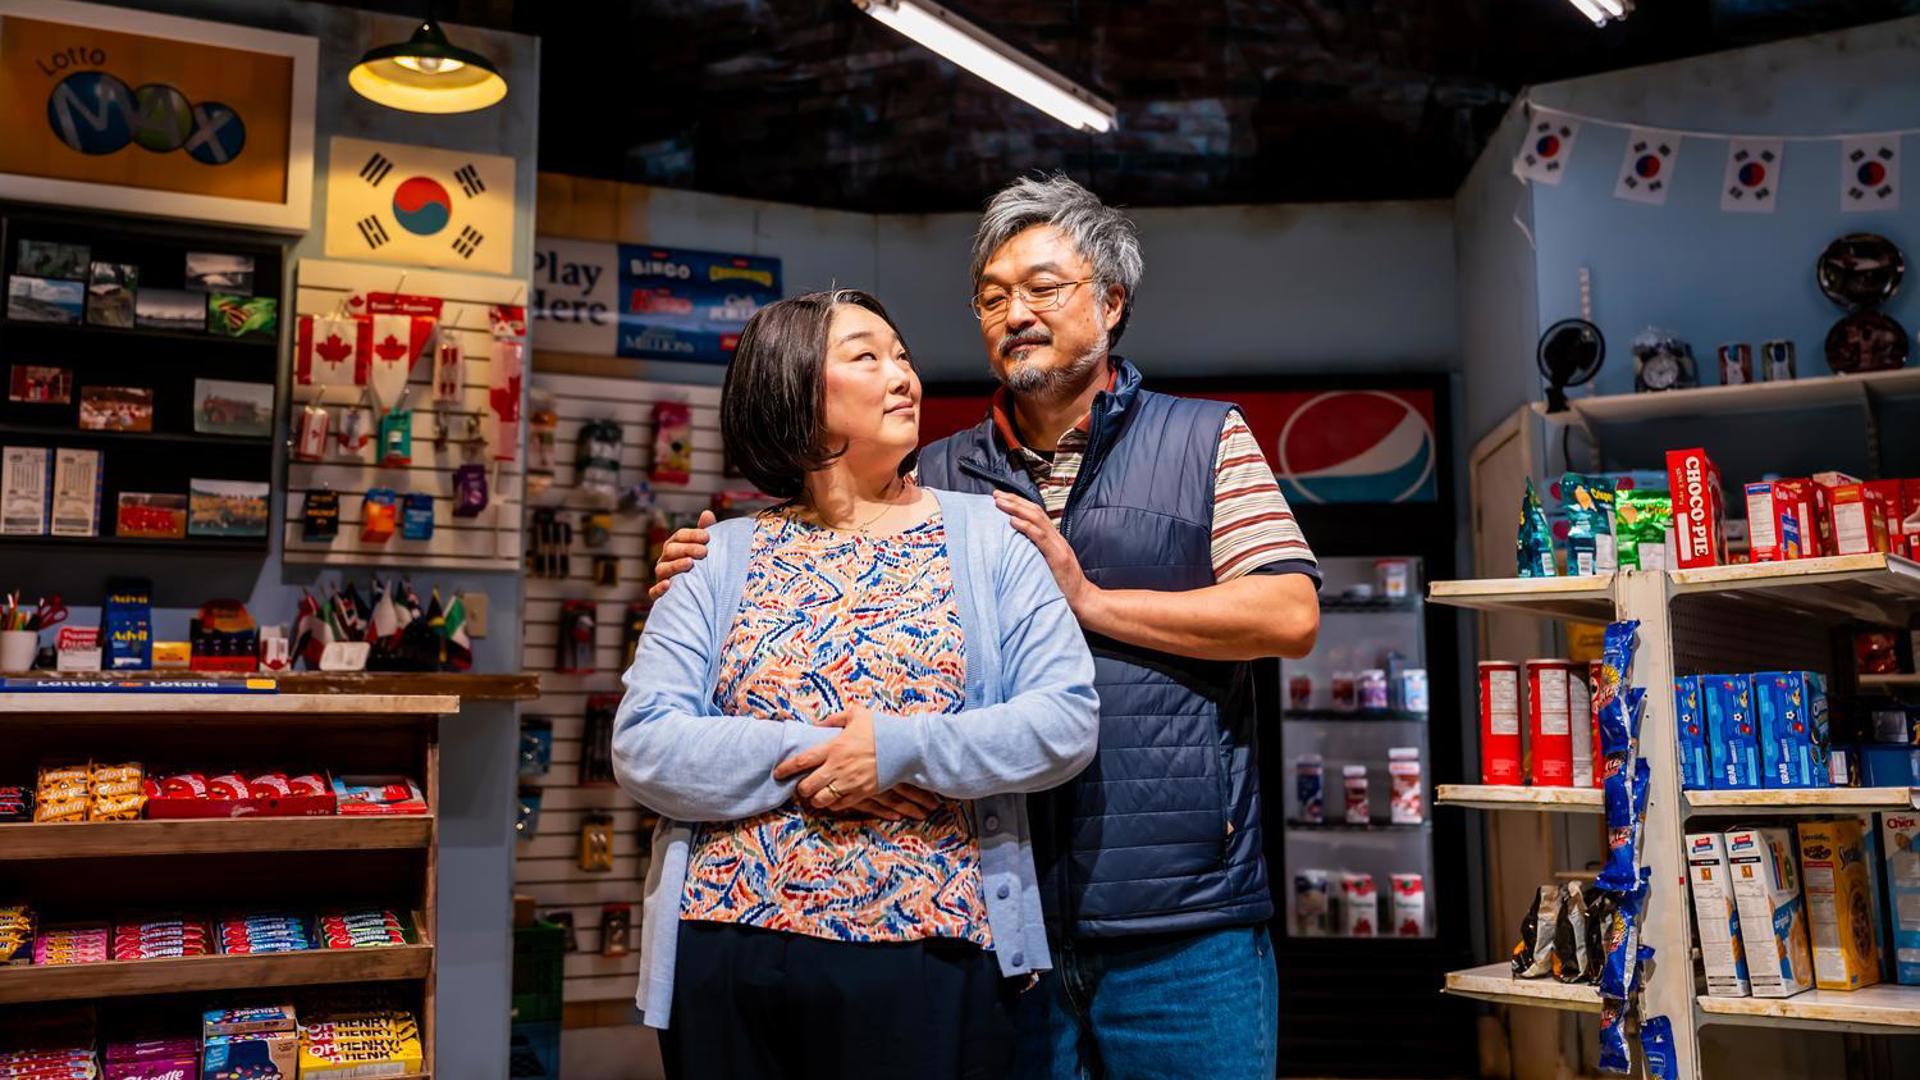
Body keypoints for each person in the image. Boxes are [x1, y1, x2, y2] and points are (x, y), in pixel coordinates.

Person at [653, 176, 1322, 1080]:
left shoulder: (1202, 438)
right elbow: (826, 555)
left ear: (1111, 302)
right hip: (1004, 904)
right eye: (993, 297)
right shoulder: (936, 473)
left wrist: (1091, 602)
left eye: (1043, 288)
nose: (1017, 315)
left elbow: (1289, 613)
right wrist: (711, 562)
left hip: (1178, 908)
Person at [612, 288, 1100, 1080]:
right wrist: (828, 755)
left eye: (902, 356)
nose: (904, 376)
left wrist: (901, 749)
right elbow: (646, 745)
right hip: (727, 950)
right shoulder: (717, 556)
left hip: (932, 949)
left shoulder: (993, 538)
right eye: (867, 357)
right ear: (795, 389)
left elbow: (1064, 721)